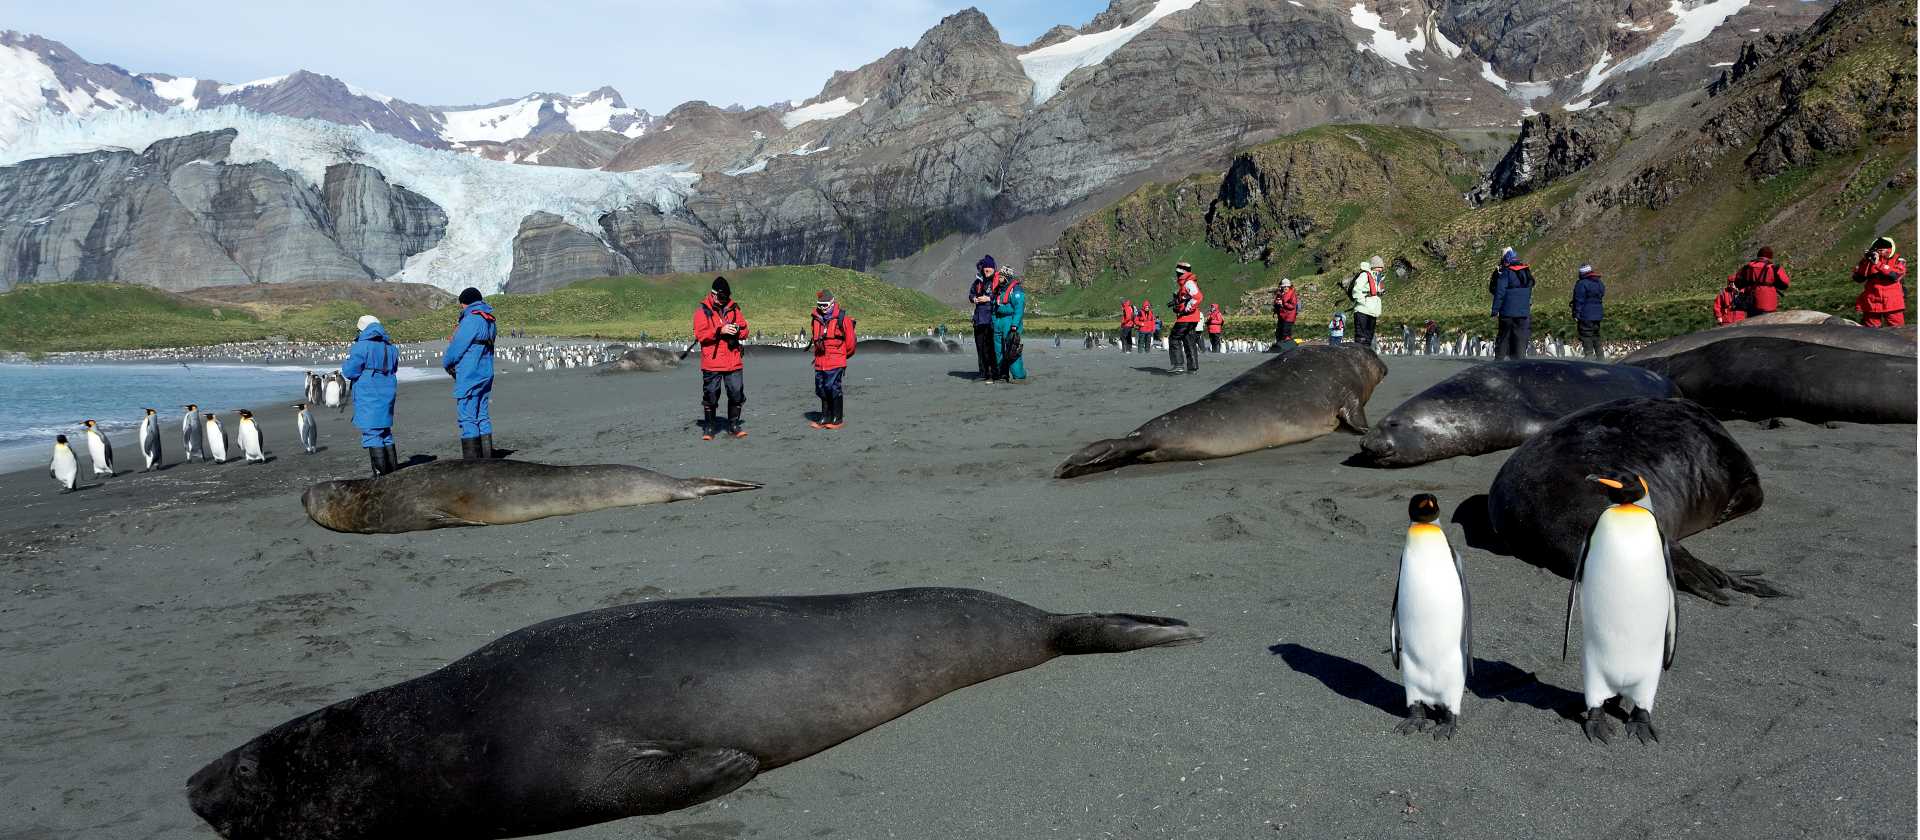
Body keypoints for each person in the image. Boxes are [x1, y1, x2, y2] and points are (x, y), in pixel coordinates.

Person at [442, 287, 497, 460]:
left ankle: (473, 464)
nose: (461, 307)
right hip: (486, 372)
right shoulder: (489, 319)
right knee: (482, 415)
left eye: (461, 304)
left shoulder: (471, 319)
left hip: (470, 374)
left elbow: (457, 347)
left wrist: (447, 363)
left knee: (467, 417)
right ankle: (488, 459)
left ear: (465, 303)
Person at [342, 314, 399, 476]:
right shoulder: (391, 347)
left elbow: (350, 371)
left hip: (369, 393)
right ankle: (395, 475)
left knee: (372, 433)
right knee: (385, 433)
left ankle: (381, 477)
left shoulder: (361, 346)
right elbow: (394, 368)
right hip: (387, 392)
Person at [693, 276, 750, 439]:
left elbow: (746, 330)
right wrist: (720, 330)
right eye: (721, 297)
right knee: (711, 395)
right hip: (712, 361)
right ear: (713, 294)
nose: (723, 300)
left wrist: (737, 331)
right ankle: (710, 427)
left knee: (736, 393)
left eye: (726, 297)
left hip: (733, 359)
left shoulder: (734, 309)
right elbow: (700, 335)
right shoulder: (702, 311)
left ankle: (733, 425)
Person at [808, 290, 855, 429]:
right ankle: (825, 417)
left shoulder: (843, 319)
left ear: (832, 303)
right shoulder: (815, 318)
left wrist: (841, 357)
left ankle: (837, 418)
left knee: (833, 387)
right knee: (821, 388)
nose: (822, 308)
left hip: (835, 360)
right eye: (819, 305)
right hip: (820, 361)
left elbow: (851, 343)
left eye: (825, 305)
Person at [1488, 247, 1536, 360]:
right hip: (1523, 312)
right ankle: (1519, 361)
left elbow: (1499, 292)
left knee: (1504, 336)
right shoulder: (1526, 271)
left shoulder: (1505, 272)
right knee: (1520, 337)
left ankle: (1499, 361)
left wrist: (1495, 310)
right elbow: (1531, 286)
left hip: (1507, 312)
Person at [1853, 236, 1908, 327]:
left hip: (1892, 302)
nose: (1879, 252)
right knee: (1870, 332)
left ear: (1889, 249)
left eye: (1882, 249)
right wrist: (1866, 262)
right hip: (1872, 302)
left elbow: (1895, 276)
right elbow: (1858, 278)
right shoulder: (1868, 261)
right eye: (1877, 250)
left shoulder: (1898, 260)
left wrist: (1878, 264)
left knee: (1898, 330)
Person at [1727, 246, 1791, 317]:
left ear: (1758, 255)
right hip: (1770, 304)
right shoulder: (1774, 268)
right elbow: (1785, 283)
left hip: (1751, 303)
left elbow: (1737, 281)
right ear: (1770, 257)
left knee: (1753, 322)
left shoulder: (1748, 267)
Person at [991, 262, 1027, 381]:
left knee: (1012, 349)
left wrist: (1014, 325)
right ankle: (1002, 374)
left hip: (1010, 321)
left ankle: (1019, 376)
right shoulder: (999, 290)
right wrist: (993, 321)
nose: (999, 278)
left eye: (1001, 276)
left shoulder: (1016, 290)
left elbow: (1019, 308)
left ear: (1007, 276)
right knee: (998, 350)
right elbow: (994, 307)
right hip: (998, 321)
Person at [1167, 262, 1204, 373]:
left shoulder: (1188, 283)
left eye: (1177, 272)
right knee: (1189, 341)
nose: (1176, 274)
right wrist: (1177, 304)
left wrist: (1186, 309)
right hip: (1192, 318)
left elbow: (1198, 297)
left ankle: (1178, 365)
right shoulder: (1186, 284)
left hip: (1187, 317)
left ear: (1181, 272)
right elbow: (1185, 299)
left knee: (1174, 338)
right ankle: (1192, 368)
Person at [969, 257, 998, 381]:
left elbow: (1001, 296)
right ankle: (983, 372)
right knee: (980, 347)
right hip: (979, 319)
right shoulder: (978, 281)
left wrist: (989, 298)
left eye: (989, 268)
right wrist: (974, 299)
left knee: (991, 347)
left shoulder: (997, 281)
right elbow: (971, 294)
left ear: (993, 268)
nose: (986, 270)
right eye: (985, 268)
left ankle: (994, 372)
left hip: (991, 319)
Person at [1347, 257, 1384, 348]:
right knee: (1361, 338)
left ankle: (1365, 355)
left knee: (1368, 338)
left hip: (1373, 311)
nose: (1380, 269)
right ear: (1373, 266)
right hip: (1362, 310)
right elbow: (1356, 290)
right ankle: (1358, 355)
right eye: (1379, 266)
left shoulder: (1377, 277)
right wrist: (1363, 302)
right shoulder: (1364, 275)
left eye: (1381, 267)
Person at [1571, 264, 1606, 360]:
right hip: (1598, 314)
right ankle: (1600, 356)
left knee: (1585, 334)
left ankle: (1589, 355)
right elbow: (1602, 293)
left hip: (1586, 314)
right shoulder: (1599, 282)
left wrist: (1576, 313)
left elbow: (1579, 300)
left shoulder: (1582, 283)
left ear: (1582, 273)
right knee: (1596, 334)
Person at [1272, 278, 1299, 350]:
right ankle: (1280, 346)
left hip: (1289, 317)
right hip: (1281, 316)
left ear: (1289, 286)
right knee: (1279, 332)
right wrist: (1277, 303)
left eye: (1287, 286)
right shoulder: (1279, 293)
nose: (1286, 288)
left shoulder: (1292, 294)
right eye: (1284, 286)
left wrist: (1283, 303)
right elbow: (1275, 301)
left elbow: (1292, 306)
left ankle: (1287, 347)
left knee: (1285, 332)